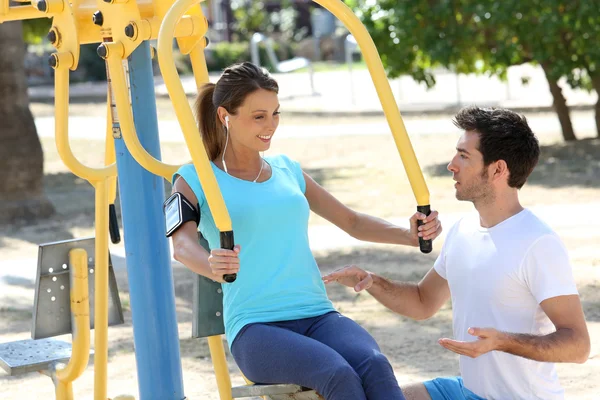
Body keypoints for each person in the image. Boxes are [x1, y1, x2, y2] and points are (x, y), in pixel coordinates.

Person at [169, 62, 442, 400]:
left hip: (317, 314)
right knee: (337, 374)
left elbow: (352, 222)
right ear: (226, 116)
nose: (271, 126)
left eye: (275, 114)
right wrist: (212, 264)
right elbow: (181, 246)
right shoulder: (194, 178)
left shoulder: (287, 170)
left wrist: (409, 235)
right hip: (257, 328)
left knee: (374, 365)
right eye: (259, 117)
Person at [323, 106, 591, 400]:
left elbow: (578, 345)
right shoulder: (462, 230)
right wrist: (372, 281)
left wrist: (503, 342)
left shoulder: (538, 243)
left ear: (498, 169)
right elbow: (423, 302)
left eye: (464, 156)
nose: (451, 165)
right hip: (467, 391)